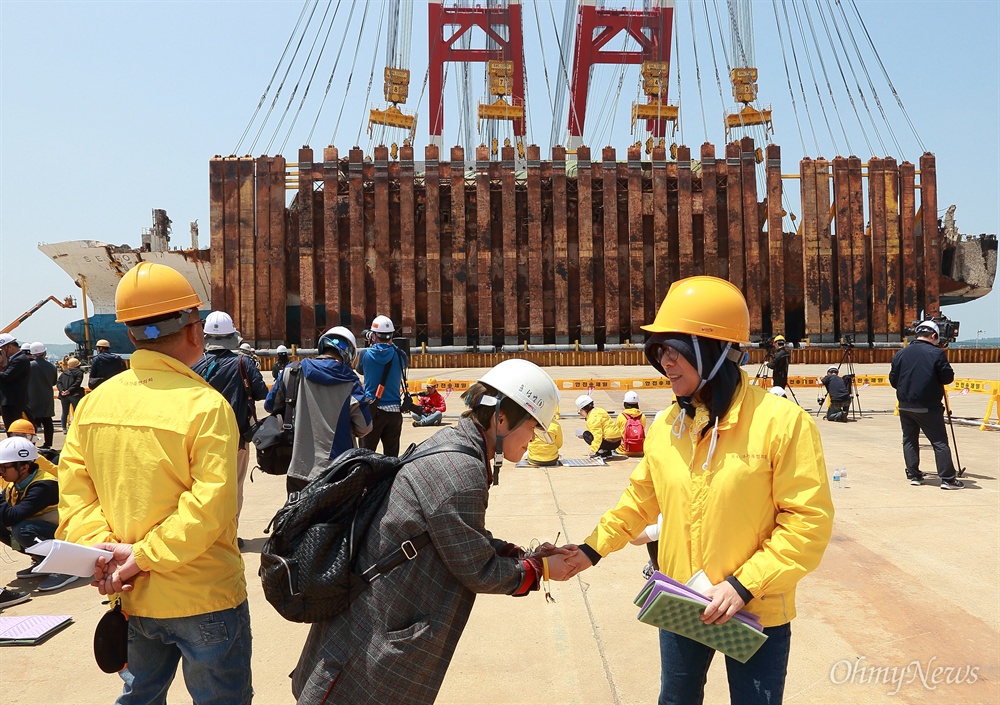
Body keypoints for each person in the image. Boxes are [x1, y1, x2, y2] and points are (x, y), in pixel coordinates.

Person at [550, 276, 834, 705]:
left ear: (715, 350)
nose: (666, 362)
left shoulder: (783, 423)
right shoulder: (666, 426)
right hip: (683, 602)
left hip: (756, 609)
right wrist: (590, 551)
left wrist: (741, 586)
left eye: (675, 348)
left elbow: (808, 524)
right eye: (660, 350)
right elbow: (639, 502)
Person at [291, 358, 576, 705]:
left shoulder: (453, 444)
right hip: (371, 646)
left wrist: (525, 556)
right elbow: (478, 570)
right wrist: (541, 569)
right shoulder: (461, 471)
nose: (533, 439)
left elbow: (459, 538)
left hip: (374, 624)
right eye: (533, 427)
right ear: (501, 419)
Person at [57, 262, 252, 704]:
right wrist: (142, 557)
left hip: (132, 597)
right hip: (203, 596)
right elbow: (210, 508)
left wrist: (104, 555)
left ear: (129, 334)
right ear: (194, 330)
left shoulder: (92, 405)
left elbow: (73, 497)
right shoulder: (206, 407)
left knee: (140, 696)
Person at [265, 326, 372, 495]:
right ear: (349, 353)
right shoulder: (351, 382)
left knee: (296, 519)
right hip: (338, 470)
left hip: (298, 469)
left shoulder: (291, 372)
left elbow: (269, 406)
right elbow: (364, 427)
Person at [192, 311, 270, 525]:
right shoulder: (243, 363)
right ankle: (230, 534)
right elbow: (263, 393)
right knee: (234, 485)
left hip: (199, 437)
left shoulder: (193, 364)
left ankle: (206, 532)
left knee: (201, 485)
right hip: (236, 438)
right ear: (232, 337)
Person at [889, 320, 963, 489]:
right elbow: (947, 378)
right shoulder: (936, 353)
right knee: (939, 442)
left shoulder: (901, 354)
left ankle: (914, 475)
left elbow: (893, 380)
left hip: (905, 405)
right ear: (934, 335)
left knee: (909, 439)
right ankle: (948, 479)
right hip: (928, 406)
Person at [0, 436, 76, 591]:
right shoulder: (14, 484)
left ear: (23, 467)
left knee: (22, 529)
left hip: (71, 539)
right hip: (51, 532)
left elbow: (11, 517)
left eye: (4, 467)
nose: (0, 472)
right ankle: (45, 561)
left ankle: (67, 567)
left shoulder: (43, 485)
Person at [358, 315, 409, 457]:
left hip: (373, 411)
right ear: (391, 334)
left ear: (374, 336)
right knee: (392, 457)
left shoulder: (365, 354)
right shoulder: (400, 355)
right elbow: (404, 364)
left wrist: (371, 345)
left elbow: (360, 370)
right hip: (394, 413)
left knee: (365, 456)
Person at [27, 342, 57, 448]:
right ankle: (48, 444)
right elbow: (54, 382)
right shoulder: (52, 366)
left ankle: (31, 444)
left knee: (32, 424)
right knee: (48, 422)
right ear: (44, 352)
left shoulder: (29, 366)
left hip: (32, 398)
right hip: (47, 398)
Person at [0, 333, 32, 434]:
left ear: (10, 346)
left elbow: (7, 376)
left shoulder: (19, 360)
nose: (2, 353)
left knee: (13, 428)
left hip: (12, 401)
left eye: (2, 349)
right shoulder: (16, 359)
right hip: (11, 400)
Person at [575, 394, 622, 458]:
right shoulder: (600, 410)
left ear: (584, 409)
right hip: (618, 441)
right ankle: (606, 451)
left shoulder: (592, 418)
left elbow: (597, 435)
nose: (580, 413)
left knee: (586, 434)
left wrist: (593, 450)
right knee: (588, 434)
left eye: (580, 411)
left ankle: (601, 452)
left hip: (609, 442)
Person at [56, 357, 85, 432]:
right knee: (77, 411)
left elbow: (58, 382)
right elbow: (77, 383)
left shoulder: (64, 373)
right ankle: (77, 427)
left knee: (64, 412)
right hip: (74, 394)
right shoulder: (79, 373)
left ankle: (64, 428)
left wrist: (62, 391)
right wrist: (69, 390)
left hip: (63, 396)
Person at [616, 390, 647, 456]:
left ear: (625, 404)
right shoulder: (642, 416)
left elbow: (617, 433)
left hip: (624, 450)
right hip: (640, 450)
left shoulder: (621, 416)